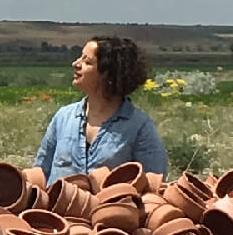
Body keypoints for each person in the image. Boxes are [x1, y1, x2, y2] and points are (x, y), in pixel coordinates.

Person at [32, 36, 168, 182]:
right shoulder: (63, 118)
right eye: (80, 58)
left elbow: (153, 184)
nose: (76, 64)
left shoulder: (139, 126)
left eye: (87, 62)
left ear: (108, 74)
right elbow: (40, 172)